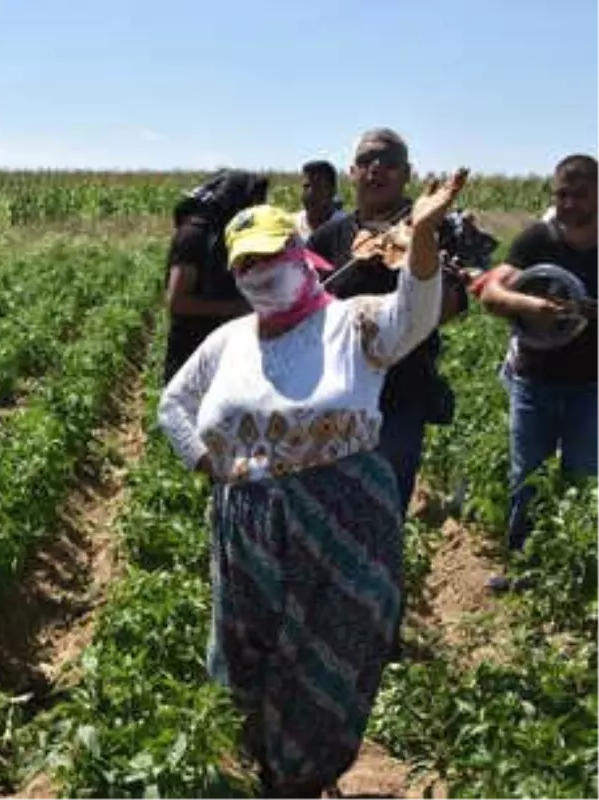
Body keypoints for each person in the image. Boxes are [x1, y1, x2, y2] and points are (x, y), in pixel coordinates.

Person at [159, 170, 468, 798]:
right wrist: (208, 465)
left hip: (344, 531)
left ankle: (303, 779)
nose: (258, 272)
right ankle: (269, 774)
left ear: (301, 256)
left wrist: (427, 235)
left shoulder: (353, 325)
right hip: (247, 534)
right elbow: (173, 405)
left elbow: (418, 308)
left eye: (272, 255)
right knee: (246, 667)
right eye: (245, 263)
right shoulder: (228, 342)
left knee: (328, 662)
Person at [308, 128, 469, 515]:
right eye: (366, 161)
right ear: (352, 171)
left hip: (399, 392)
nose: (377, 169)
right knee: (329, 506)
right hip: (335, 392)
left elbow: (446, 306)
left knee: (385, 505)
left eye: (390, 163)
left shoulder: (434, 226)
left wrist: (424, 247)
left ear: (408, 173)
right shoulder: (329, 235)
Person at [478, 154, 599, 590]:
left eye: (579, 194)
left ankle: (574, 574)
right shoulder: (537, 241)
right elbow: (491, 292)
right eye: (561, 194)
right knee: (527, 476)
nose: (568, 203)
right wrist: (529, 306)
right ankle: (525, 570)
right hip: (535, 380)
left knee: (584, 477)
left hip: (592, 386)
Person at [162, 170, 267, 383]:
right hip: (192, 351)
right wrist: (238, 307)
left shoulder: (228, 234)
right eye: (254, 202)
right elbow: (177, 302)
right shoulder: (195, 235)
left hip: (224, 349)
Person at [294, 159, 348, 240]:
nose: (311, 193)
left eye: (318, 187)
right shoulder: (293, 226)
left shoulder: (346, 227)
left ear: (332, 191)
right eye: (306, 186)